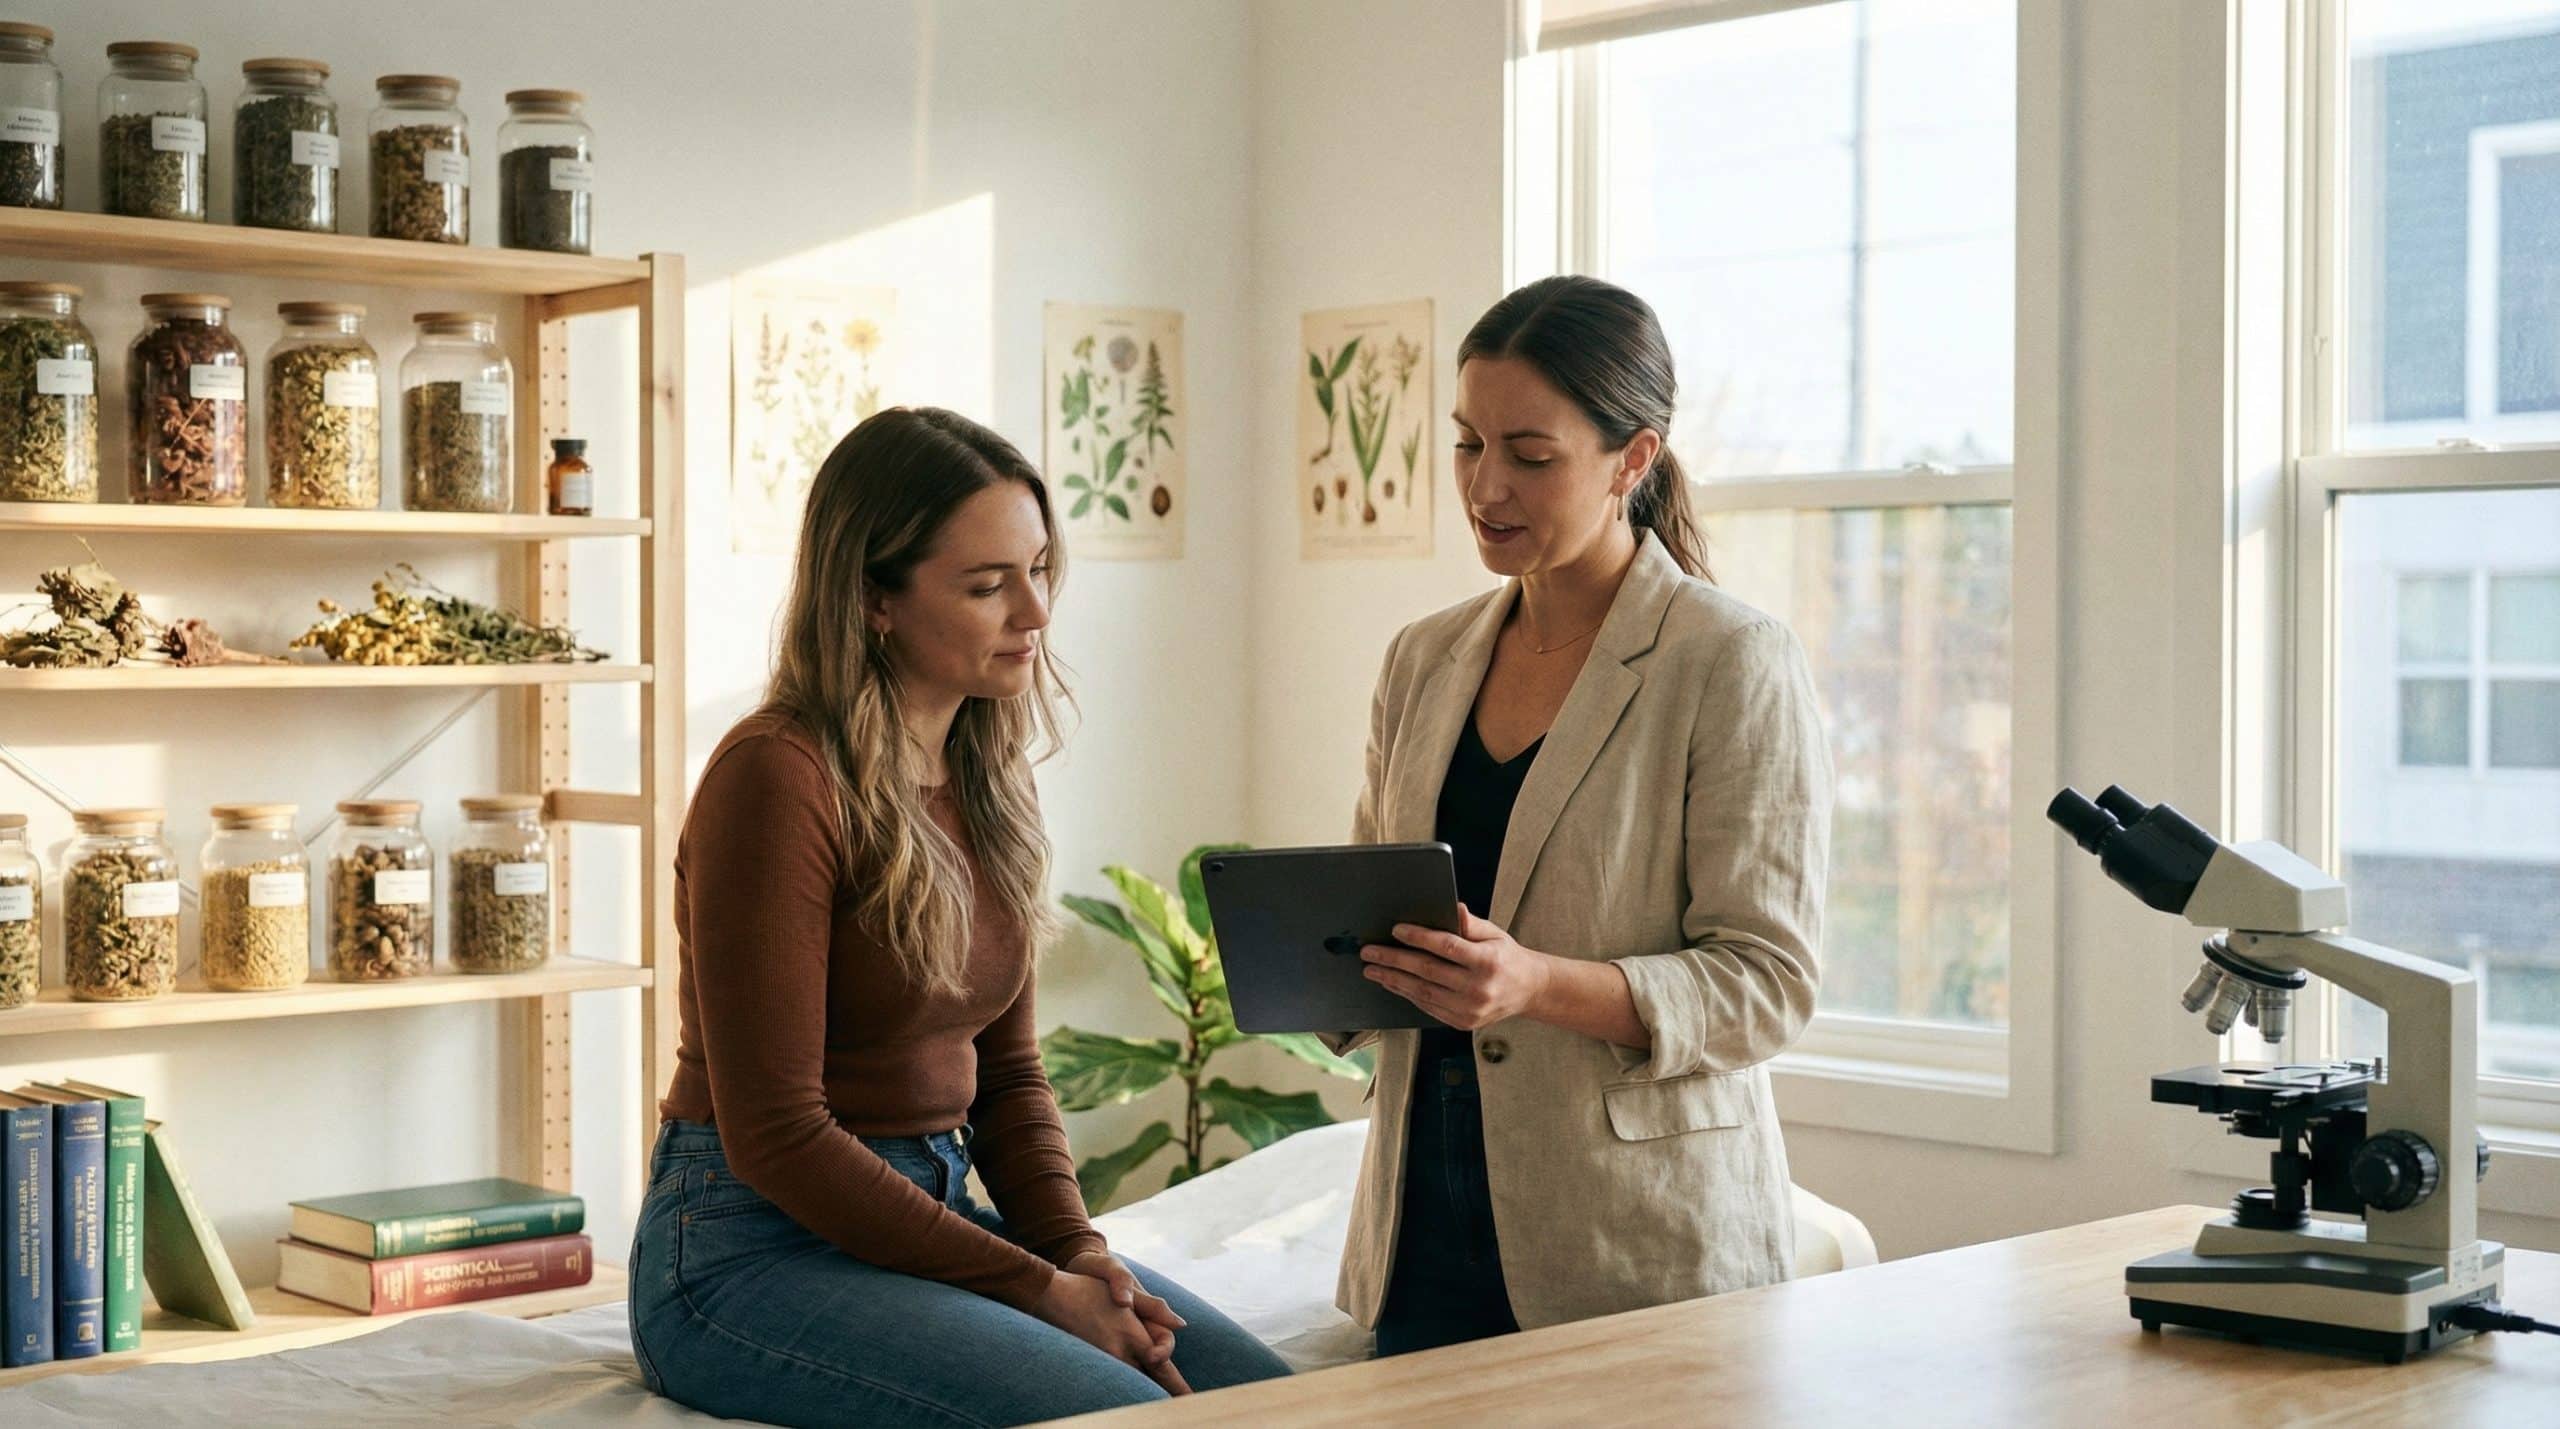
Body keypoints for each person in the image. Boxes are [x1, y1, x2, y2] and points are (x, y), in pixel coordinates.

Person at [628, 407, 1291, 1426]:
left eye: (1037, 570)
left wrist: (1079, 1256)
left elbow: (1010, 1077)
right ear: (872, 599)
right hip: (744, 1250)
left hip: (927, 1220)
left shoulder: (986, 768)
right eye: (988, 585)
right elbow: (775, 1134)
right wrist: (1034, 1289)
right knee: (1124, 1413)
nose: (1033, 611)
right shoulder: (778, 776)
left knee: (1303, 1403)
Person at [1333, 276, 1835, 1357]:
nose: (1485, 486)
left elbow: (1768, 983)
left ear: (1632, 460)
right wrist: (1317, 960)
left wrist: (1536, 984)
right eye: (1467, 445)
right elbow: (1383, 904)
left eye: (1529, 453)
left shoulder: (1728, 659)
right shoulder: (1421, 658)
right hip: (1422, 1211)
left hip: (1635, 1243)